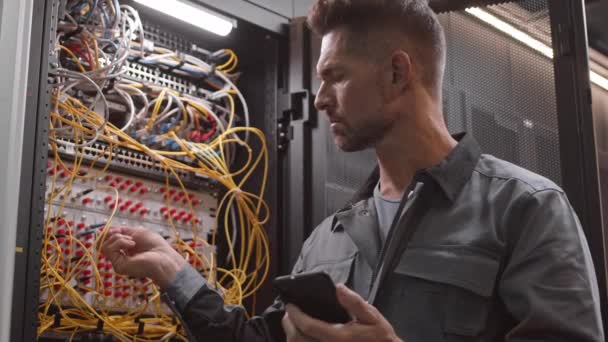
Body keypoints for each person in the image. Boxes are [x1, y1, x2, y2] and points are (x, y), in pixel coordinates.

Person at [102, 0, 605, 341]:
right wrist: (172, 271)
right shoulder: (332, 236)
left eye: (335, 77)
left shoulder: (524, 209)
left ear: (397, 73)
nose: (320, 100)